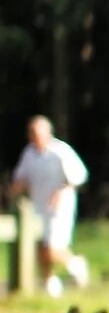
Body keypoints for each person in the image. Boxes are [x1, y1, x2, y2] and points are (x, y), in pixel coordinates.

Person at [10, 116, 90, 298]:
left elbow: (79, 176)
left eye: (37, 133)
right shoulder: (29, 153)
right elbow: (20, 178)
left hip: (60, 208)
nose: (34, 137)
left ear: (47, 133)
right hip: (37, 207)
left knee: (52, 248)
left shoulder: (60, 151)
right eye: (31, 133)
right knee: (41, 247)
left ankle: (75, 264)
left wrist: (61, 191)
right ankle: (50, 282)